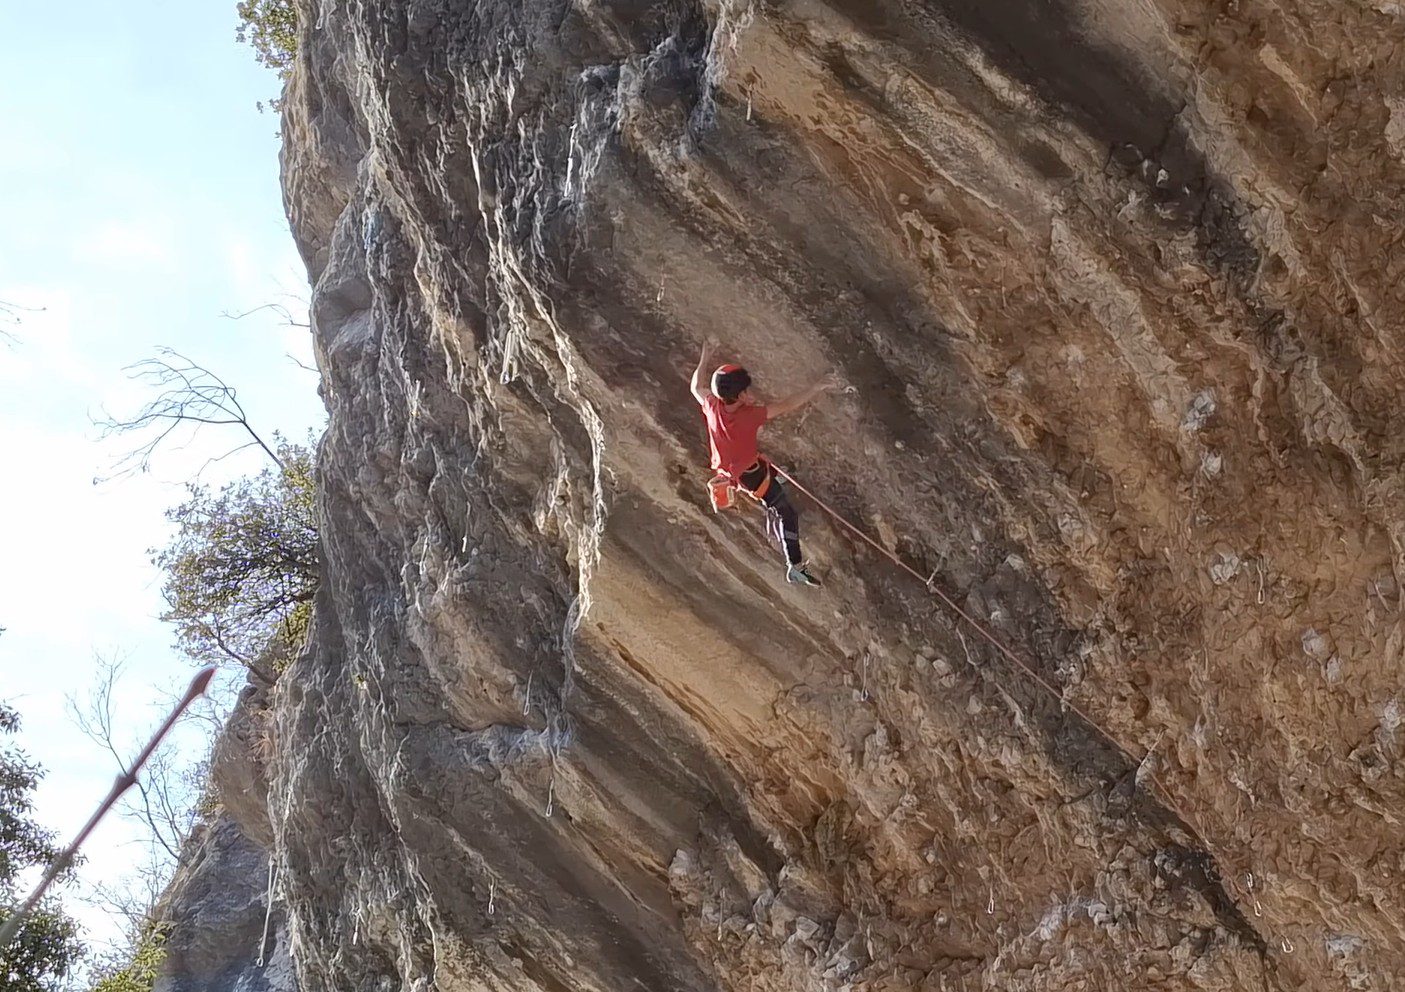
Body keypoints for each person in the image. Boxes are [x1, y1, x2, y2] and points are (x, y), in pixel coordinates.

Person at [690, 337, 838, 586]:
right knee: (786, 512)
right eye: (746, 391)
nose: (751, 393)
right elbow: (787, 405)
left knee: (775, 481)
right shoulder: (749, 417)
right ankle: (795, 566)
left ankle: (779, 481)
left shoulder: (713, 406)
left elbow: (696, 387)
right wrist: (818, 386)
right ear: (738, 396)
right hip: (752, 476)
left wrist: (705, 355)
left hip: (739, 470)